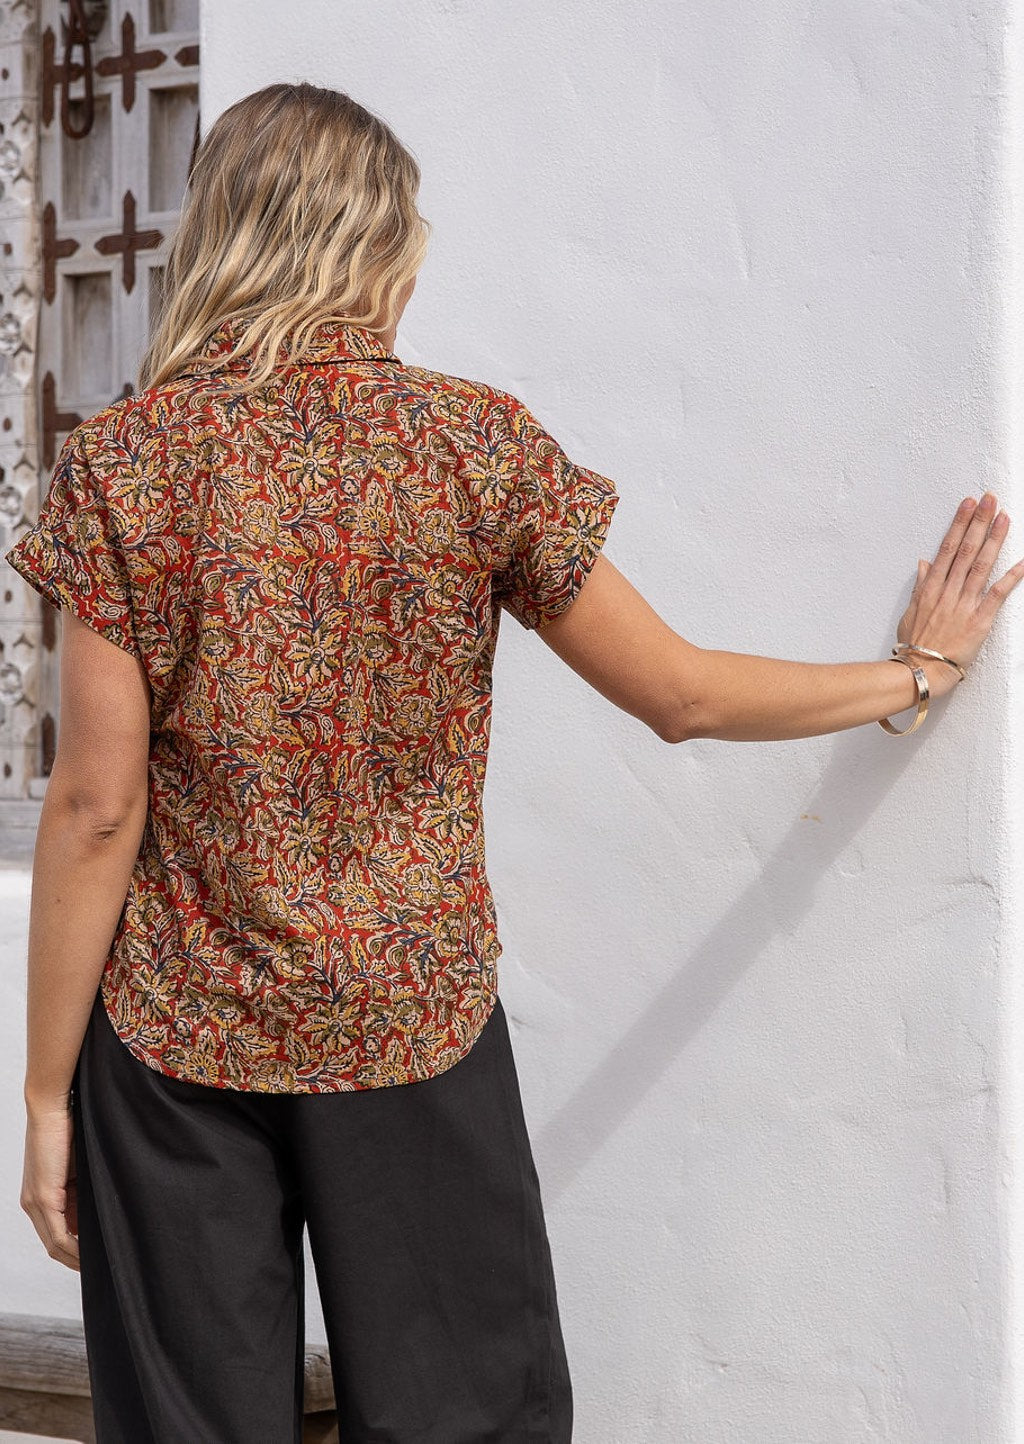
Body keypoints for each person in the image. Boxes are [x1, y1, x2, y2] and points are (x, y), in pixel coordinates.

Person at [6, 79, 1022, 1444]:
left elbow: (92, 807)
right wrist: (915, 675)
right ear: (371, 248)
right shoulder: (473, 446)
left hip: (179, 1035)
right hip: (414, 1018)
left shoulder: (128, 466)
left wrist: (48, 1093)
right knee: (467, 1422)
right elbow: (681, 693)